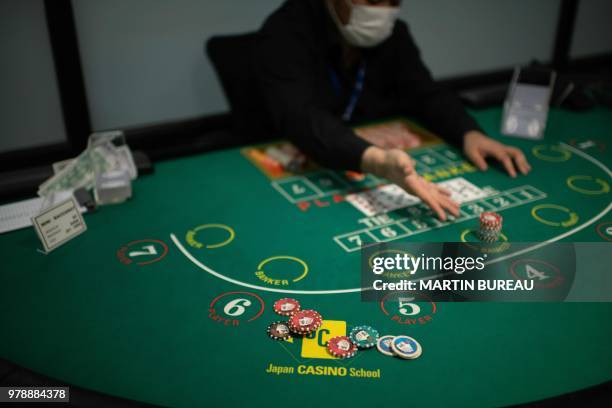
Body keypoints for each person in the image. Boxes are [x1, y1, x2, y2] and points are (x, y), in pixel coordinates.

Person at [254, 0, 531, 220]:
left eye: (392, 1)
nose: (382, 11)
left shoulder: (395, 34)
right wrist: (378, 161)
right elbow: (300, 116)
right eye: (372, 0)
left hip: (358, 141)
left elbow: (425, 92)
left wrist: (468, 131)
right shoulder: (286, 30)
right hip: (281, 154)